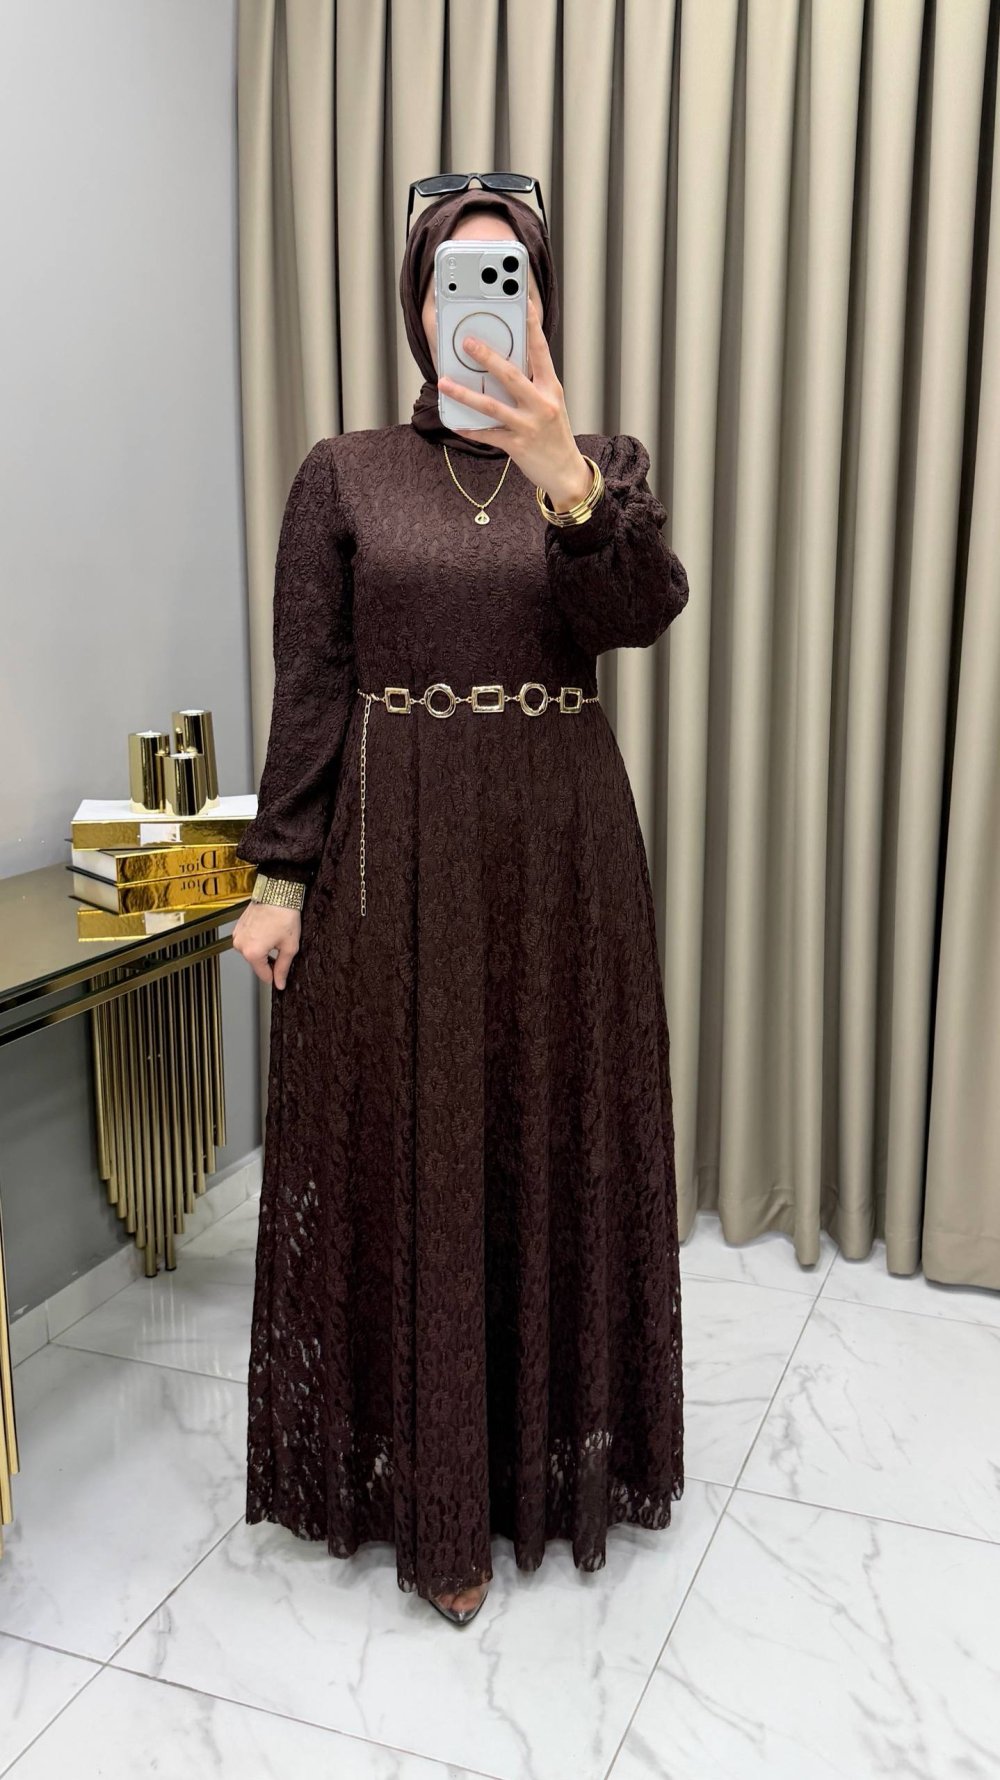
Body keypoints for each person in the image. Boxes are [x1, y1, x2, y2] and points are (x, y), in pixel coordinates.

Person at [233, 182, 689, 1627]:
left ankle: (545, 1466)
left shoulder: (600, 464)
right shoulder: (346, 474)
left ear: (541, 303)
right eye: (453, 276)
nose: (478, 300)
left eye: (508, 277)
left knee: (542, 1139)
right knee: (415, 1155)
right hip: (395, 863)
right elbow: (313, 682)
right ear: (416, 304)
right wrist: (278, 876)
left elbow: (639, 614)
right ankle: (432, 1505)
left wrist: (569, 481)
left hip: (560, 860)